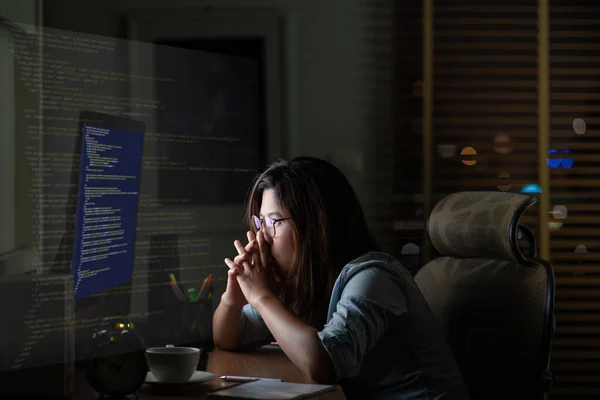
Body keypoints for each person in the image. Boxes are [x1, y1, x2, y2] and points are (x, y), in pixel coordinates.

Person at [213, 157, 470, 399]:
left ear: (317, 224)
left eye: (274, 222)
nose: (263, 237)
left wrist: (261, 297)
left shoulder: (374, 278)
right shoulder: (303, 281)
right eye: (260, 223)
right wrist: (233, 299)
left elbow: (324, 365)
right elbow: (228, 337)